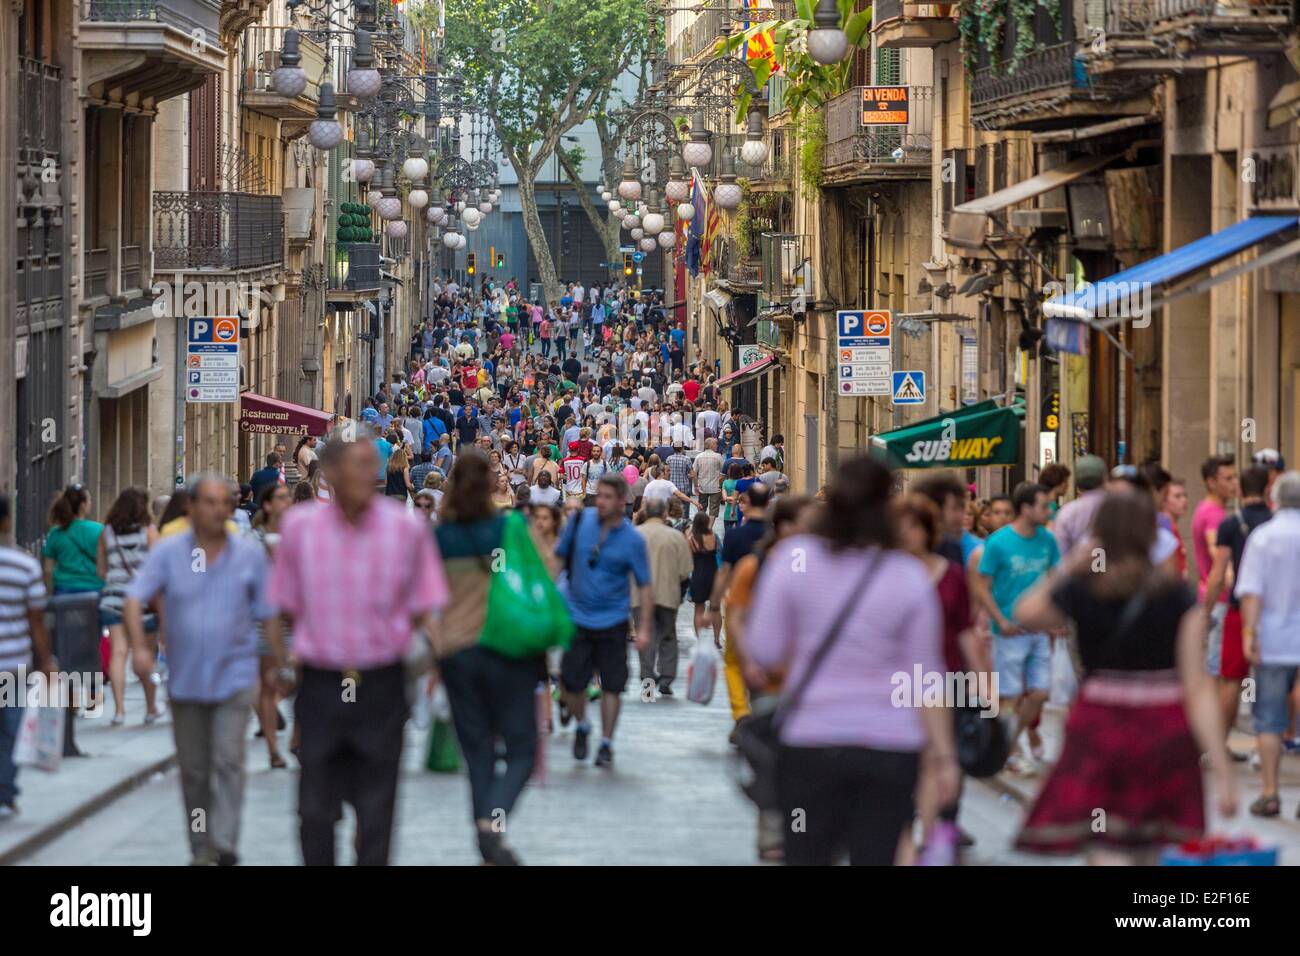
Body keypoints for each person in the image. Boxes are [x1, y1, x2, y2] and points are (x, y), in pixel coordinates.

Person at [745, 457, 959, 865]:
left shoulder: (794, 558)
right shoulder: (908, 574)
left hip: (811, 742)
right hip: (890, 746)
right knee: (877, 854)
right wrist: (944, 757)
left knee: (807, 855)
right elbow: (925, 678)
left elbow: (765, 649)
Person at [1013, 488, 1236, 861]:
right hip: (1163, 726)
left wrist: (1069, 566)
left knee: (1103, 839)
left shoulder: (1083, 588)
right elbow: (1196, 687)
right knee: (1153, 842)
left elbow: (1026, 613)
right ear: (1150, 533)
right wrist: (1223, 770)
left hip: (1100, 723)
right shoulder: (1176, 596)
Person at [266, 428, 449, 866]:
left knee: (377, 805)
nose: (371, 474)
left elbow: (426, 609)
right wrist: (281, 665)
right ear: (329, 472)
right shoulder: (300, 528)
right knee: (314, 807)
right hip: (321, 681)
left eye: (374, 465)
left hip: (382, 683)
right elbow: (278, 607)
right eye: (360, 465)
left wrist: (440, 666)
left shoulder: (405, 529)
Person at [124, 474, 279, 865]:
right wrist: (140, 650)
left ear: (231, 508)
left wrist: (278, 663)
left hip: (236, 677)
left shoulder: (248, 556)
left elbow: (268, 613)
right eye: (208, 502)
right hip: (187, 680)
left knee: (228, 759)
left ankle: (224, 843)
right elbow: (133, 598)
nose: (217, 509)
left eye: (223, 502)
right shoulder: (168, 552)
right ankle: (201, 845)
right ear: (191, 507)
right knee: (194, 771)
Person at [434, 450, 543, 864]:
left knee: (477, 750)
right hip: (507, 650)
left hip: (457, 653)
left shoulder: (440, 537)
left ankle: (486, 828)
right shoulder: (512, 528)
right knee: (521, 747)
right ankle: (491, 824)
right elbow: (539, 582)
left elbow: (426, 601)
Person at [555, 473, 653, 768]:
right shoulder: (579, 522)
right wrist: (544, 598)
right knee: (571, 683)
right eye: (599, 496)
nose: (601, 502)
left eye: (608, 497)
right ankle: (583, 725)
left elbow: (645, 586)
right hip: (576, 616)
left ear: (623, 501)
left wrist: (645, 627)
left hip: (613, 620)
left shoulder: (633, 540)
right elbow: (558, 560)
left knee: (612, 686)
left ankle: (607, 742)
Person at [974, 481, 1060, 775]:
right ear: (1026, 508)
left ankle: (1010, 739)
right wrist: (1000, 620)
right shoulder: (998, 543)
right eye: (1043, 505)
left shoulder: (1047, 541)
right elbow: (982, 586)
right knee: (1008, 696)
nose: (1049, 510)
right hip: (1009, 631)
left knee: (1039, 692)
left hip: (1039, 630)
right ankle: (1010, 751)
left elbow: (1054, 579)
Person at [1237, 471, 1300, 816]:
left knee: (1270, 719)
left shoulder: (1263, 537)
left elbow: (1251, 592)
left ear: (1273, 497)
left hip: (1273, 642)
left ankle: (1271, 792)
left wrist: (1249, 633)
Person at [1202, 464, 1271, 758]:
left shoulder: (1231, 525)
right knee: (1271, 679)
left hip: (1236, 610)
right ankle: (1267, 744)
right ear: (1268, 489)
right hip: (1272, 612)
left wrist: (1206, 611)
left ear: (1241, 490)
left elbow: (1218, 574)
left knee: (1231, 679)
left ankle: (1218, 745)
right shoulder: (1276, 522)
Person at [0, 493, 54, 819]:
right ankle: (5, 790)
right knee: (10, 730)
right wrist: (46, 661)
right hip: (12, 666)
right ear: (7, 521)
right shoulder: (24, 565)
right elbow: (37, 621)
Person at [710, 483, 772, 740]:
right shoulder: (776, 535)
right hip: (769, 608)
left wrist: (713, 604)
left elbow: (724, 573)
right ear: (768, 503)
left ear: (746, 502)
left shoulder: (735, 535)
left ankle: (741, 712)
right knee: (765, 660)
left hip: (738, 606)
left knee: (734, 663)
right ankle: (761, 711)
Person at [96, 488, 162, 726]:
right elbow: (157, 569)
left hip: (113, 599)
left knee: (118, 653)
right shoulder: (150, 533)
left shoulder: (107, 533)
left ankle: (120, 711)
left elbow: (101, 570)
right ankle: (151, 706)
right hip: (143, 601)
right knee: (146, 653)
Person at [250, 483, 294, 768]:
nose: (287, 501)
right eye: (280, 497)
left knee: (296, 682)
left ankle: (296, 738)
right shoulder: (253, 540)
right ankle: (272, 749)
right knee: (268, 683)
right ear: (266, 505)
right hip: (263, 620)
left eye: (288, 497)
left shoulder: (299, 535)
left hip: (295, 619)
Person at [634, 497, 693, 696]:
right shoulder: (675, 537)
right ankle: (667, 679)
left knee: (646, 638)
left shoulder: (634, 535)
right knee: (668, 637)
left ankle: (648, 682)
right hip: (668, 595)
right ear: (664, 514)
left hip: (639, 597)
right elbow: (685, 570)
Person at [1193, 454, 1238, 686]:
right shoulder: (1213, 515)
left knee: (1215, 666)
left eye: (1235, 478)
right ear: (1211, 482)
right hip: (1219, 600)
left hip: (1212, 598)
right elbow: (1216, 552)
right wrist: (1231, 577)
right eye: (1227, 478)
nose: (1234, 484)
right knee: (1216, 668)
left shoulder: (1206, 509)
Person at [42, 484, 104, 597]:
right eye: (89, 500)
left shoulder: (55, 533)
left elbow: (48, 570)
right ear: (83, 506)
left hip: (64, 590)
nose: (91, 503)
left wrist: (50, 594)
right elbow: (104, 565)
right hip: (94, 590)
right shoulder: (99, 530)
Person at [686, 510, 719, 642]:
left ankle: (699, 639)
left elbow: (687, 560)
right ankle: (717, 638)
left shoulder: (692, 539)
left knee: (699, 609)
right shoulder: (714, 537)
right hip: (713, 574)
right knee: (715, 608)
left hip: (698, 575)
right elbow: (720, 554)